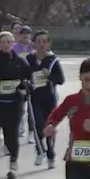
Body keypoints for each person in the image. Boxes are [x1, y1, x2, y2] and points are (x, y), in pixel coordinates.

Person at [0, 35, 33, 179]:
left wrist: (24, 86)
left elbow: (29, 80)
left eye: (9, 42)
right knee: (2, 127)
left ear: (13, 43)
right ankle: (0, 141)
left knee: (13, 132)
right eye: (3, 42)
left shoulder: (20, 61)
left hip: (16, 102)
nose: (6, 45)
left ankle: (13, 161)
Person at [26, 31, 65, 168]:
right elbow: (23, 77)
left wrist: (49, 76)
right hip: (35, 99)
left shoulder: (53, 60)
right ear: (34, 44)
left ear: (48, 44)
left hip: (49, 98)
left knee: (49, 127)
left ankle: (50, 153)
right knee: (38, 126)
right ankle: (40, 151)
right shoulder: (29, 60)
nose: (41, 44)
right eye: (38, 42)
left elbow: (61, 80)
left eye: (44, 42)